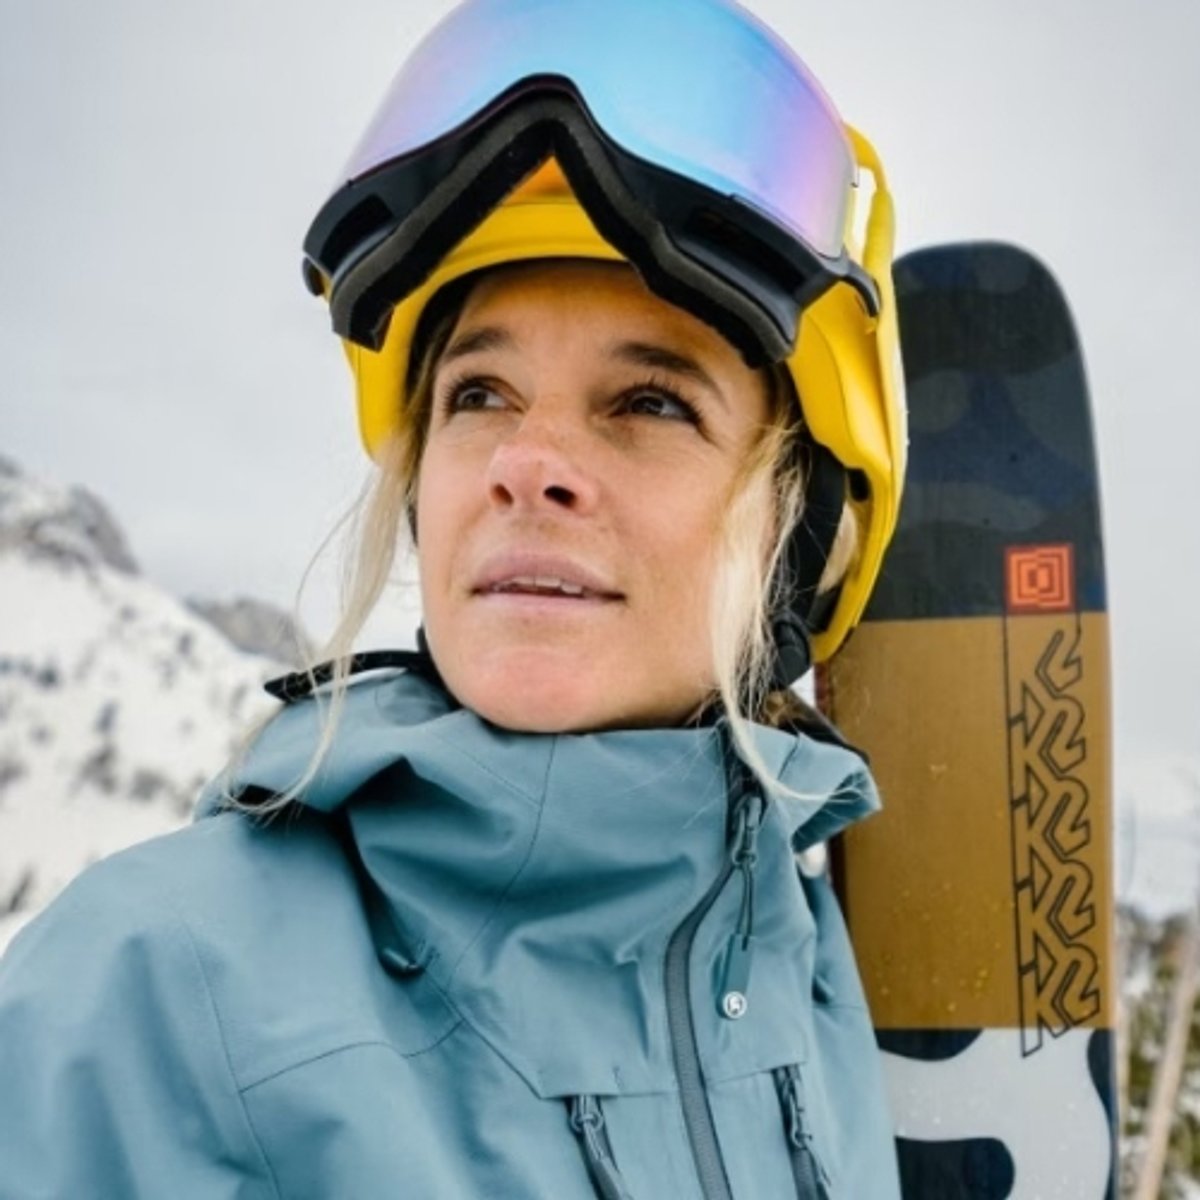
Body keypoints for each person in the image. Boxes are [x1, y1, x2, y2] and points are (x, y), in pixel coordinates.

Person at [0, 0, 907, 1196]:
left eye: (650, 402)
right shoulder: (142, 1000)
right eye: (479, 394)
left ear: (799, 532)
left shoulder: (807, 954)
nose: (526, 462)